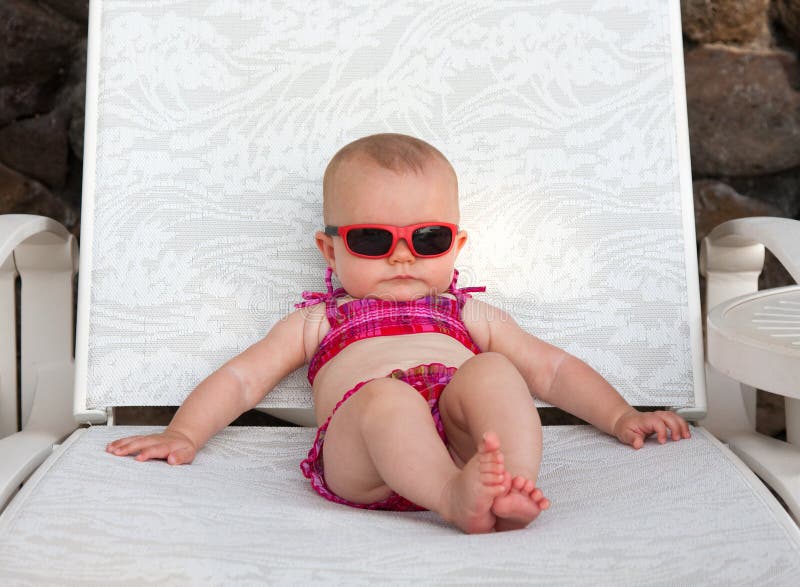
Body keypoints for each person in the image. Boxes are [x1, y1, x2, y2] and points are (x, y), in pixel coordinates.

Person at [106, 133, 691, 534]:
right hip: (364, 457)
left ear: (457, 245)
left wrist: (620, 416)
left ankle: (508, 484)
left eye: (429, 239)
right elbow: (241, 378)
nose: (404, 258)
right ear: (330, 251)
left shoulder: (469, 315)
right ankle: (453, 499)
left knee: (494, 370)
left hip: (464, 449)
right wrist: (184, 433)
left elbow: (553, 370)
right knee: (386, 395)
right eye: (372, 241)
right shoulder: (319, 320)